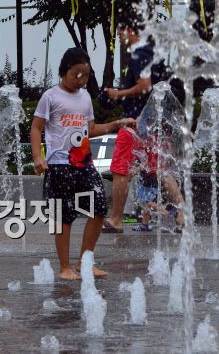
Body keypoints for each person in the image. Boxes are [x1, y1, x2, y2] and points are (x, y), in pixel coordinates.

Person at [31, 47, 136, 280]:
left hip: (84, 163)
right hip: (59, 164)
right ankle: (64, 268)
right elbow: (36, 128)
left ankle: (84, 262)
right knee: (64, 215)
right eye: (77, 74)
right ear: (64, 71)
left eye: (86, 75)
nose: (81, 80)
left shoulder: (85, 97)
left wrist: (117, 124)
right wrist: (38, 157)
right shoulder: (50, 97)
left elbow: (90, 129)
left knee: (99, 208)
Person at [100, 16, 158, 234]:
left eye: (120, 31)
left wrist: (118, 93)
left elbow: (144, 86)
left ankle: (116, 219)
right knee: (157, 171)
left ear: (131, 30)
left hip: (135, 122)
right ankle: (181, 215)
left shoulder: (138, 55)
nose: (118, 35)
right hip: (149, 123)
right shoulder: (149, 53)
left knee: (120, 170)